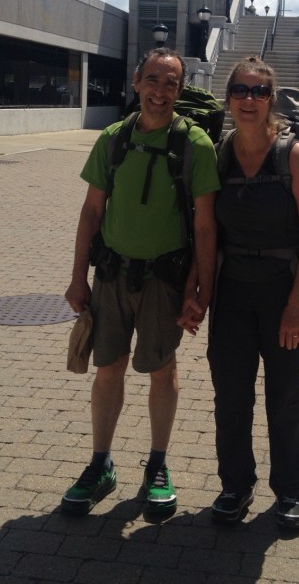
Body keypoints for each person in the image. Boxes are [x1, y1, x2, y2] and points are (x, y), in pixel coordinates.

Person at [62, 48, 219, 516]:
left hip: (163, 281)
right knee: (108, 367)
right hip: (111, 274)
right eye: (153, 80)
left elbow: (206, 227)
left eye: (171, 83)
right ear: (136, 83)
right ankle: (101, 463)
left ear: (181, 88)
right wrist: (76, 279)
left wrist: (201, 290)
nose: (160, 91)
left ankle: (157, 465)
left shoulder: (195, 145)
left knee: (161, 370)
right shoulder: (113, 138)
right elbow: (92, 211)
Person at [208, 57, 299, 530]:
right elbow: (206, 231)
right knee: (231, 396)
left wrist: (296, 307)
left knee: (285, 396)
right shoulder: (220, 153)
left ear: (271, 99)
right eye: (240, 90)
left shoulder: (294, 155)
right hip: (233, 291)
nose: (249, 99)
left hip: (288, 290)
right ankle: (236, 485)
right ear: (230, 97)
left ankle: (290, 492)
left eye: (259, 92)